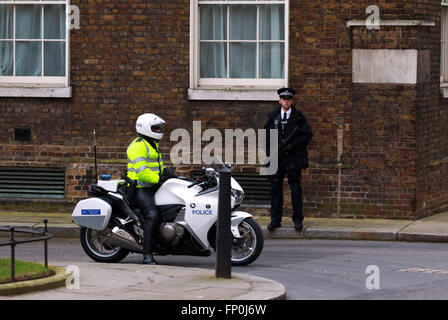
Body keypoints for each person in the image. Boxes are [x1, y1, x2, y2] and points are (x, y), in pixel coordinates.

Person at [126, 113, 176, 265]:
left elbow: (159, 167)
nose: (159, 131)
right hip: (140, 188)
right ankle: (147, 255)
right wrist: (158, 179)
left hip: (153, 186)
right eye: (156, 128)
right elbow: (142, 172)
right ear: (146, 128)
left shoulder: (151, 145)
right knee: (152, 216)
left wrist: (170, 175)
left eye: (160, 128)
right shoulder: (137, 146)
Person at [264, 88, 313, 232]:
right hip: (277, 158)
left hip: (293, 158)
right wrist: (270, 152)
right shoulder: (273, 117)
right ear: (279, 100)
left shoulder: (299, 117)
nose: (286, 101)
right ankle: (275, 220)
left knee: (295, 189)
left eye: (288, 99)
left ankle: (298, 220)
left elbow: (307, 135)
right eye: (283, 99)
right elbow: (266, 137)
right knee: (275, 189)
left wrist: (292, 146)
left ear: (292, 101)